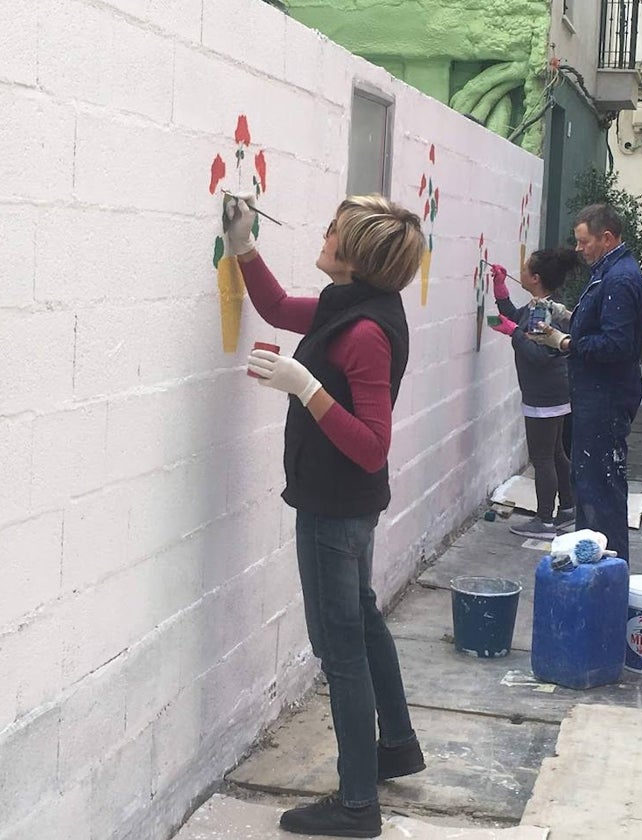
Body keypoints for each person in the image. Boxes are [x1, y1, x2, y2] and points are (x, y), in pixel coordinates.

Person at [224, 192, 426, 838]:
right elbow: (282, 308)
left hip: (334, 509)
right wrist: (242, 243)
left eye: (333, 231)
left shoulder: (365, 333)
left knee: (340, 650)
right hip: (347, 507)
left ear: (356, 254)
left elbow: (371, 447)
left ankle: (358, 805)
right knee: (362, 624)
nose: (323, 233)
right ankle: (396, 745)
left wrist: (302, 387)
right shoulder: (355, 308)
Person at [536, 204, 642, 565]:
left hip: (606, 398)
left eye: (584, 242)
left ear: (607, 238)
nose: (579, 249)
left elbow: (617, 345)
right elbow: (605, 324)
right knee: (591, 485)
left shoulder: (618, 279)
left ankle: (606, 573)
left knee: (600, 490)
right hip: (598, 396)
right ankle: (595, 568)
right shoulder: (610, 272)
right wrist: (569, 316)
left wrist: (564, 341)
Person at [487, 250, 584, 539]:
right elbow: (514, 319)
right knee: (555, 453)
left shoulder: (543, 312)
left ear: (535, 278)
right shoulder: (539, 306)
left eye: (525, 268)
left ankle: (544, 521)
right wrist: (500, 287)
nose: (522, 270)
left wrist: (513, 333)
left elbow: (539, 354)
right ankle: (568, 508)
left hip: (543, 394)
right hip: (554, 391)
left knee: (542, 457)